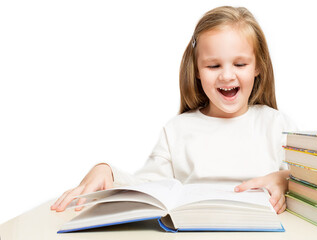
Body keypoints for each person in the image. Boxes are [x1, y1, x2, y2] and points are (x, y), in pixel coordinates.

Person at [50, 6, 297, 215]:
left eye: (240, 64)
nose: (227, 75)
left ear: (258, 67)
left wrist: (284, 179)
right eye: (213, 65)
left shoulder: (277, 126)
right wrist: (107, 170)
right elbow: (149, 188)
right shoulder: (178, 130)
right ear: (197, 71)